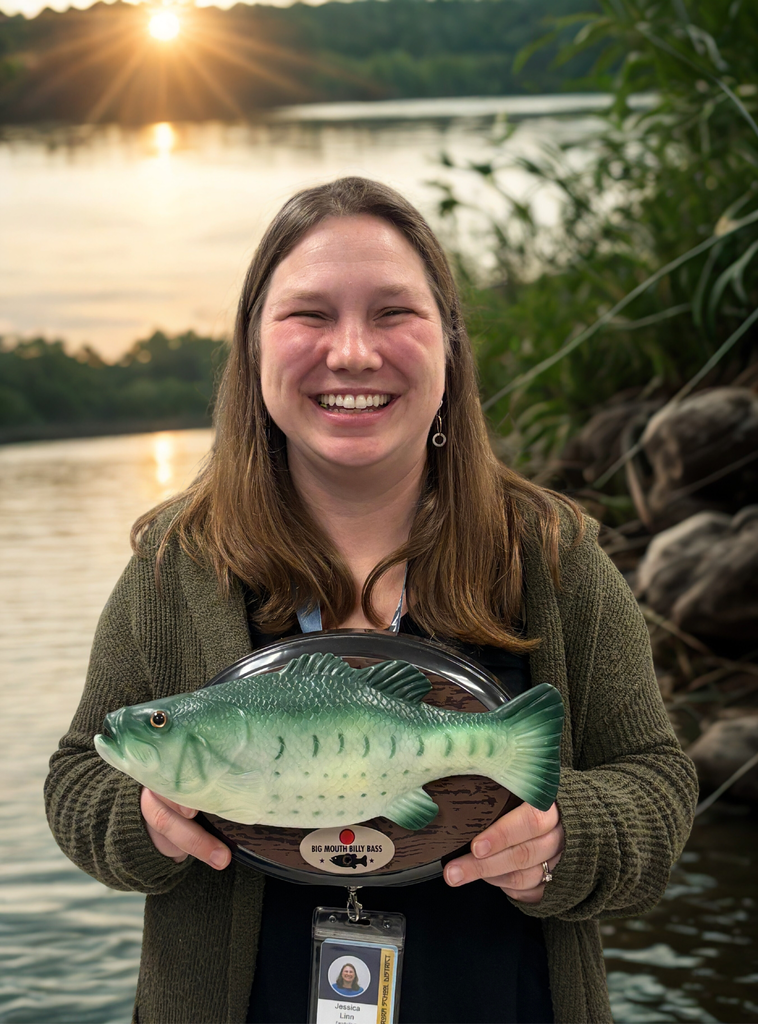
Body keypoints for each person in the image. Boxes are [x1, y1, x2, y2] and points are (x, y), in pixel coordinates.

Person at [45, 176, 698, 1024]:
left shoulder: (555, 557)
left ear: (451, 344)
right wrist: (144, 823)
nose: (352, 353)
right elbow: (75, 781)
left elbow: (658, 783)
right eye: (309, 315)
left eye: (394, 312)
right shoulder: (172, 565)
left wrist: (570, 840)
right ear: (251, 348)